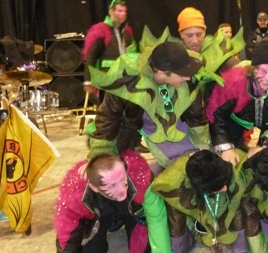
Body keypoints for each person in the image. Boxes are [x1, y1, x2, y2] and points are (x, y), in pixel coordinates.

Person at [143, 149, 263, 253]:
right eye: (218, 187)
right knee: (178, 216)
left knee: (233, 200)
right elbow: (176, 219)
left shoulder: (228, 172)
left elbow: (236, 207)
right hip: (193, 203)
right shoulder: (173, 185)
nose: (224, 188)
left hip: (209, 190)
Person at [87, 42, 208, 170]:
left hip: (177, 121)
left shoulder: (187, 77)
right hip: (132, 124)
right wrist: (98, 160)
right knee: (114, 168)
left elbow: (196, 114)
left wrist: (204, 147)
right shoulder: (128, 80)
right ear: (162, 72)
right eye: (181, 74)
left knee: (193, 161)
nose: (188, 78)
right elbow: (108, 118)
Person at [55, 151, 152, 253]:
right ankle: (105, 229)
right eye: (112, 185)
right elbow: (66, 235)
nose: (122, 188)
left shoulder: (136, 171)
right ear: (93, 187)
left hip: (129, 209)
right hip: (98, 216)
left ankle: (123, 220)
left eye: (123, 179)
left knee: (144, 248)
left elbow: (156, 211)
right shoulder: (75, 193)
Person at [207, 40, 268, 167]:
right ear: (253, 69)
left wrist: (265, 146)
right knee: (228, 159)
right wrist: (226, 147)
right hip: (236, 120)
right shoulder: (233, 83)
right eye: (262, 71)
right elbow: (216, 114)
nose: (267, 79)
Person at [82, 0, 137, 98]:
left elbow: (133, 54)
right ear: (111, 11)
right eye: (120, 11)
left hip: (125, 80)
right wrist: (88, 80)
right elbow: (91, 57)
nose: (123, 14)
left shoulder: (127, 32)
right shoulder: (101, 30)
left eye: (125, 11)